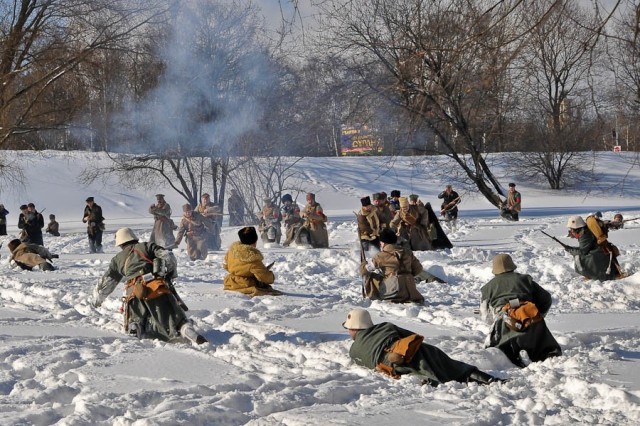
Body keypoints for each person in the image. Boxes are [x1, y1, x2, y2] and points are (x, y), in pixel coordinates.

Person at [91, 227, 206, 344]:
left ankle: (135, 331)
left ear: (120, 244)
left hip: (133, 292)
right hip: (156, 287)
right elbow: (168, 256)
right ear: (133, 238)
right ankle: (188, 331)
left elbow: (106, 284)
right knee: (177, 320)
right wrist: (171, 274)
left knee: (134, 322)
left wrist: (96, 301)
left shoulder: (117, 259)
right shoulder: (147, 246)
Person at [343, 308, 502, 386]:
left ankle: (429, 380)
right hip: (408, 352)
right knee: (449, 363)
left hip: (390, 366)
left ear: (353, 328)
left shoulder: (353, 351)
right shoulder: (385, 326)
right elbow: (412, 336)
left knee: (417, 368)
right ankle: (488, 380)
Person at [480, 254, 562, 368]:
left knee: (503, 354)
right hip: (529, 316)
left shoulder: (487, 287)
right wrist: (538, 315)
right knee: (547, 352)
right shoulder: (525, 279)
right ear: (512, 266)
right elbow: (546, 298)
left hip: (505, 321)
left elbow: (484, 314)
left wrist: (493, 323)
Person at [360, 228, 424, 303]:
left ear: (383, 243)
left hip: (394, 290)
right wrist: (407, 275)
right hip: (411, 290)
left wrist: (363, 263)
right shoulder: (407, 252)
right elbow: (419, 268)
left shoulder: (381, 256)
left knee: (370, 276)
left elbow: (365, 270)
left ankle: (374, 296)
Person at [223, 226, 282, 296]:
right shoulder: (252, 258)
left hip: (230, 282)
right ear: (254, 241)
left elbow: (226, 266)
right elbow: (264, 277)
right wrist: (271, 276)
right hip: (245, 284)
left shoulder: (231, 251)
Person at [565, 215, 622, 280]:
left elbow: (583, 251)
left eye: (571, 229)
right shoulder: (586, 230)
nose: (571, 230)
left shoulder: (584, 235)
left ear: (575, 228)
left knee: (578, 257)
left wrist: (570, 250)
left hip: (598, 258)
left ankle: (593, 275)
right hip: (602, 255)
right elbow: (586, 247)